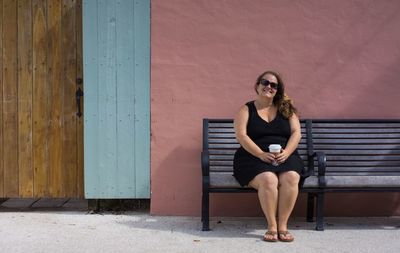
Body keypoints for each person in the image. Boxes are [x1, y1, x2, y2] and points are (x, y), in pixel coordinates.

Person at [233, 70, 305, 242]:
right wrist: (260, 154)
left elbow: (296, 133)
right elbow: (242, 136)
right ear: (257, 86)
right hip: (252, 156)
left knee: (291, 176)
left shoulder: (285, 109)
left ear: (277, 89)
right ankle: (272, 226)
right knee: (268, 179)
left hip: (284, 155)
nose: (269, 87)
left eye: (274, 85)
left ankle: (283, 226)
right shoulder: (246, 109)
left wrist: (287, 152)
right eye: (265, 83)